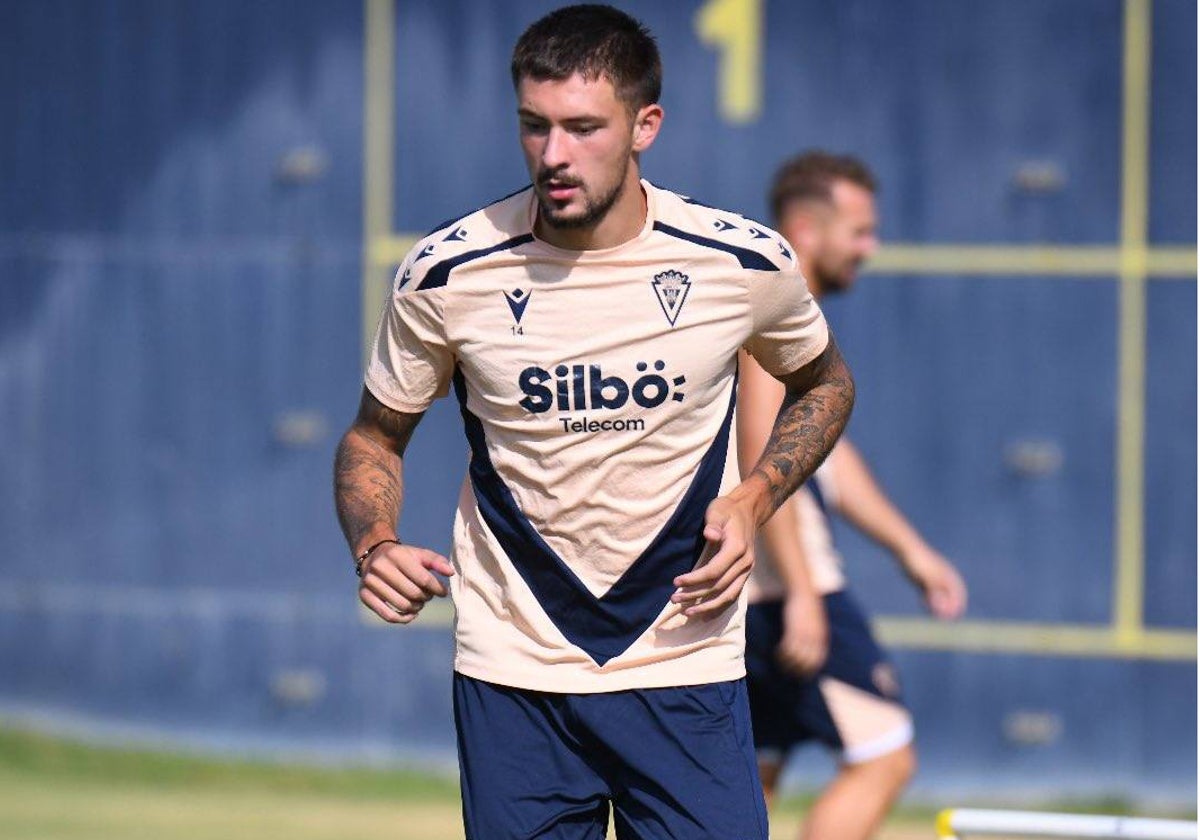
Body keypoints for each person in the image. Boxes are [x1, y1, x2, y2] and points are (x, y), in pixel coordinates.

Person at [333, 7, 855, 839]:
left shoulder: (742, 263)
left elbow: (824, 386)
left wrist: (755, 500)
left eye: (583, 128)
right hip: (515, 675)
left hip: (685, 666)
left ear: (646, 125)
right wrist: (375, 543)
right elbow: (373, 435)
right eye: (534, 127)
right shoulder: (447, 272)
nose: (554, 155)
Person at [737, 150, 968, 840]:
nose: (870, 247)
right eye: (860, 231)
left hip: (751, 591)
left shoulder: (789, 317)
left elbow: (828, 460)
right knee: (884, 760)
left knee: (753, 783)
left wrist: (911, 551)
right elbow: (759, 457)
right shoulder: (774, 312)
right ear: (806, 230)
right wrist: (804, 591)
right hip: (786, 594)